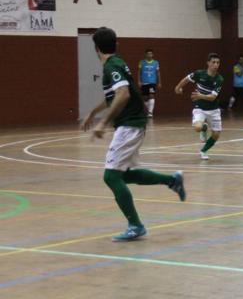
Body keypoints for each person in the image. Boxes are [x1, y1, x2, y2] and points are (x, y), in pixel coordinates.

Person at [80, 27, 185, 242]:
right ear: (115, 44)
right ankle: (172, 180)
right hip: (132, 123)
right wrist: (94, 111)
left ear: (96, 48)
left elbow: (123, 94)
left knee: (110, 176)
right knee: (124, 175)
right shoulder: (117, 62)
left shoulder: (112, 65)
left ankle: (135, 225)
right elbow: (115, 94)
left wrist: (104, 122)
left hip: (130, 125)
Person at [175, 53, 224, 159]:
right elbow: (187, 79)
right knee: (197, 127)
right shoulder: (199, 74)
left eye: (218, 62)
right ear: (208, 63)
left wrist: (200, 95)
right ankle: (203, 128)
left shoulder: (219, 79)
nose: (216, 65)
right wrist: (178, 87)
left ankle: (204, 151)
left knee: (216, 135)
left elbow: (212, 97)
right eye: (213, 62)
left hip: (214, 109)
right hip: (200, 108)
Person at [138, 49, 161, 118]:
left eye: (151, 54)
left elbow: (158, 73)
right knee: (145, 98)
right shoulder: (142, 62)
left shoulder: (156, 62)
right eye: (148, 54)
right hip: (144, 82)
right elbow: (139, 72)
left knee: (151, 95)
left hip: (152, 82)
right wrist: (139, 81)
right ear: (145, 54)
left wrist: (159, 82)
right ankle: (149, 110)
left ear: (152, 55)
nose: (149, 55)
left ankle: (150, 112)